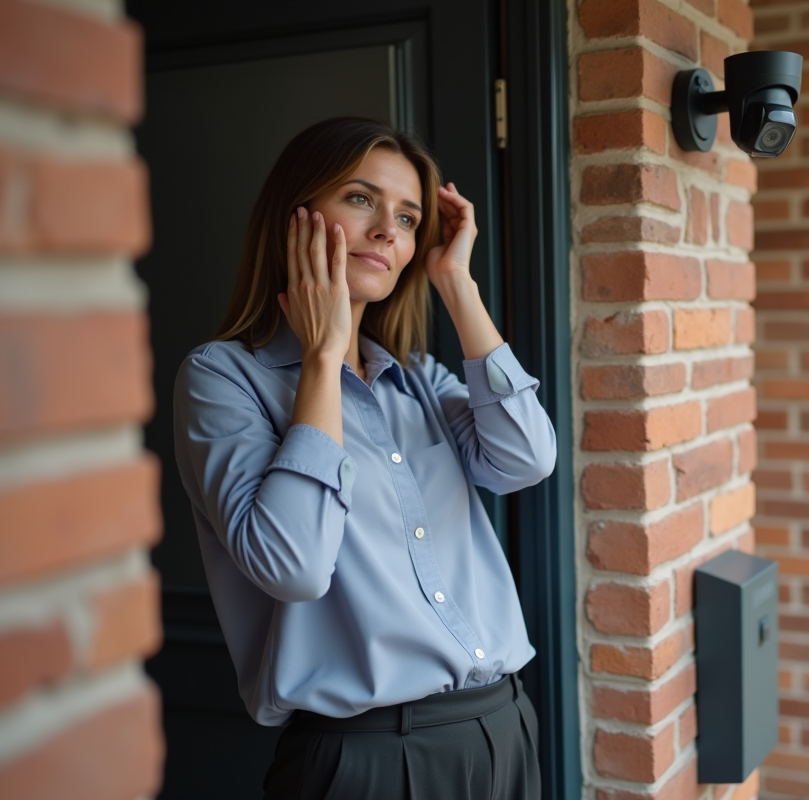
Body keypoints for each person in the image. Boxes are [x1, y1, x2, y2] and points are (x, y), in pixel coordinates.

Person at [173, 116, 555, 799]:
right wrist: (322, 356)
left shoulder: (422, 379)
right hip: (366, 761)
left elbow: (527, 459)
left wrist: (457, 284)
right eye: (361, 199)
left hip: (503, 731)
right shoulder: (222, 380)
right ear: (295, 215)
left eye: (408, 218)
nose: (388, 230)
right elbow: (292, 564)